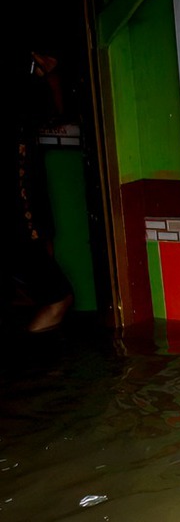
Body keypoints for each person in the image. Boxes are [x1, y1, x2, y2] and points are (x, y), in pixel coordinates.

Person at [2, 43, 74, 333]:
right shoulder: (22, 97)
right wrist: (50, 76)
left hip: (23, 229)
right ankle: (34, 370)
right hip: (19, 226)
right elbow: (56, 112)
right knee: (58, 300)